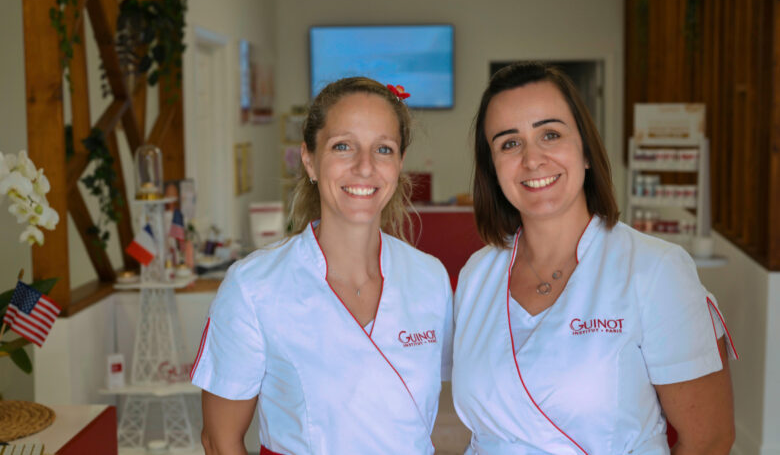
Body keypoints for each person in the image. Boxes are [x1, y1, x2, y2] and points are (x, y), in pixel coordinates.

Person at [451, 62, 737, 454]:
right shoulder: (476, 276)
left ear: (585, 151)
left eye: (550, 134)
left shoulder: (655, 270)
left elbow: (709, 439)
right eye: (509, 143)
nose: (532, 159)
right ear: (493, 169)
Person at [190, 77, 453, 454]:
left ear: (399, 165)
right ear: (310, 160)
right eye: (343, 146)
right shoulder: (254, 286)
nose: (365, 167)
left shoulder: (430, 278)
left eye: (383, 148)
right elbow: (219, 440)